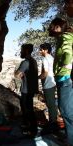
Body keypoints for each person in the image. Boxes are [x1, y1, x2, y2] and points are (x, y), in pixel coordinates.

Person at [48, 17, 73, 145]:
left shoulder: (65, 37)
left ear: (58, 27)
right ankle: (69, 136)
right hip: (62, 79)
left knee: (66, 111)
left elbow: (68, 53)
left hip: (64, 78)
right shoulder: (63, 38)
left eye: (53, 27)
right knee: (66, 109)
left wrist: (65, 66)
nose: (51, 29)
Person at [14, 44, 39, 137]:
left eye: (22, 50)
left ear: (27, 50)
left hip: (26, 90)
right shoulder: (34, 61)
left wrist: (17, 72)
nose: (21, 52)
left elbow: (17, 75)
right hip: (31, 90)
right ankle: (26, 125)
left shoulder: (25, 62)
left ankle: (32, 131)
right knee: (28, 109)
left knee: (28, 110)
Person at [38, 43, 59, 134]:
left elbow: (45, 73)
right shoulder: (51, 58)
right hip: (53, 83)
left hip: (48, 84)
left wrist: (38, 77)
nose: (40, 51)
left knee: (51, 105)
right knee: (52, 105)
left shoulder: (45, 58)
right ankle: (53, 123)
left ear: (45, 50)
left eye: (41, 49)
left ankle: (53, 125)